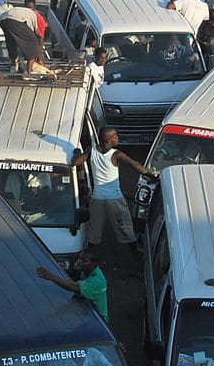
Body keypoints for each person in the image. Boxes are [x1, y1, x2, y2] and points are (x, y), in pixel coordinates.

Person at [72, 127, 155, 257]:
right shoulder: (116, 154)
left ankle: (89, 255)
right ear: (108, 140)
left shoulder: (91, 150)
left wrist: (78, 154)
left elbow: (76, 162)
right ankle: (135, 253)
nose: (118, 139)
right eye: (115, 137)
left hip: (97, 198)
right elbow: (135, 165)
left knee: (95, 229)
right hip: (115, 198)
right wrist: (152, 177)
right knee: (124, 226)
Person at [36, 251, 109, 322]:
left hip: (96, 319)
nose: (79, 262)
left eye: (84, 260)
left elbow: (75, 287)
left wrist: (51, 276)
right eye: (79, 258)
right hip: (84, 309)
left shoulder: (97, 281)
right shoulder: (87, 270)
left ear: (95, 263)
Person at [0, 4, 43, 76]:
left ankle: (13, 65)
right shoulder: (40, 19)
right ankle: (28, 73)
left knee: (11, 41)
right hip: (16, 19)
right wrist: (39, 59)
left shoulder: (28, 13)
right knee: (33, 42)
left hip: (2, 19)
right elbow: (40, 38)